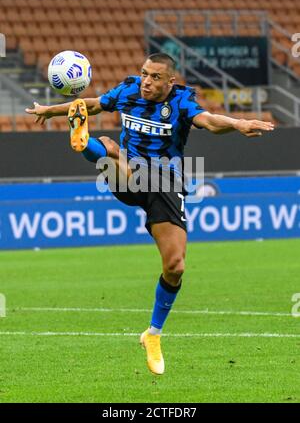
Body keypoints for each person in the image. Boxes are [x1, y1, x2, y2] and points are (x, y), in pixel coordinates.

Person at [25, 53, 274, 375]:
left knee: (175, 266)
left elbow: (210, 121)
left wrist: (238, 123)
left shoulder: (182, 101)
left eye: (155, 77)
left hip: (166, 183)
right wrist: (50, 110)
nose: (146, 81)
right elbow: (92, 104)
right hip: (128, 174)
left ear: (170, 81)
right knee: (114, 156)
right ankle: (89, 145)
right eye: (144, 73)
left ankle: (153, 333)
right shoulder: (128, 91)